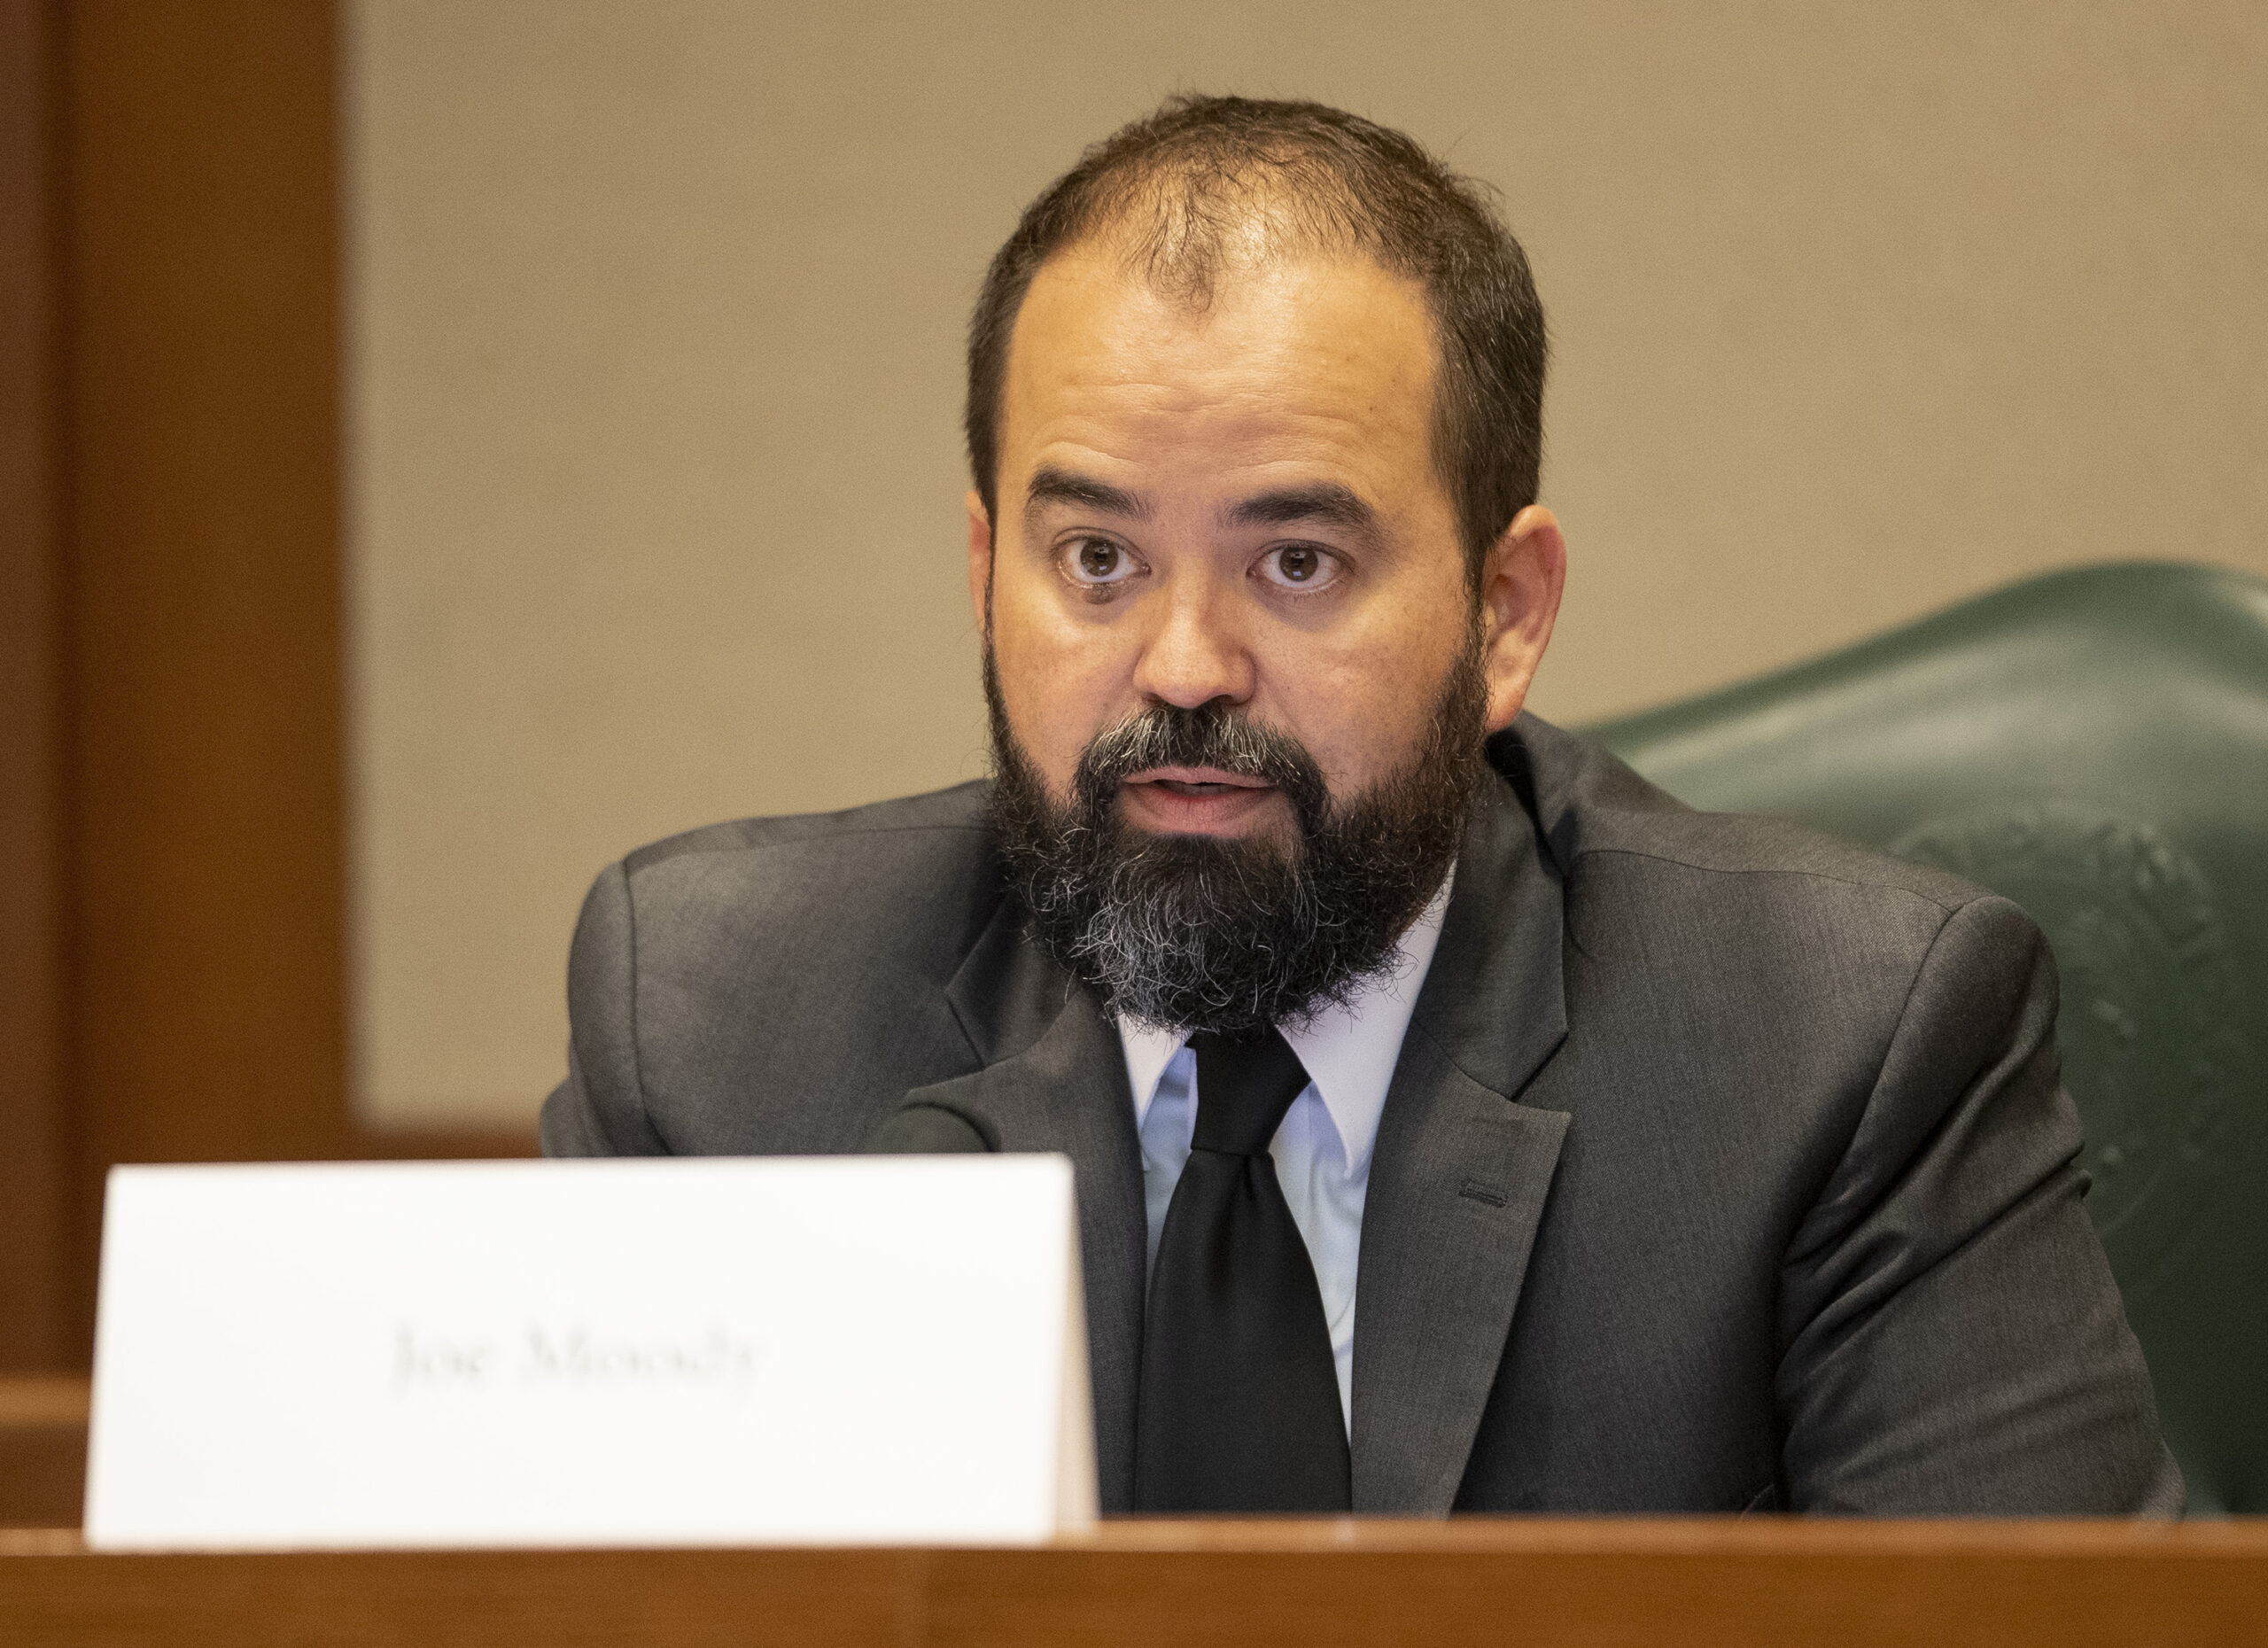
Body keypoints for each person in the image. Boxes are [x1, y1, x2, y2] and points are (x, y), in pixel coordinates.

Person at [541, 95, 2179, 1517]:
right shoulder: (712, 1029)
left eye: (1298, 562)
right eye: (1096, 560)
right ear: (987, 577)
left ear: (1506, 612)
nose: (1182, 666)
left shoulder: (1838, 1048)